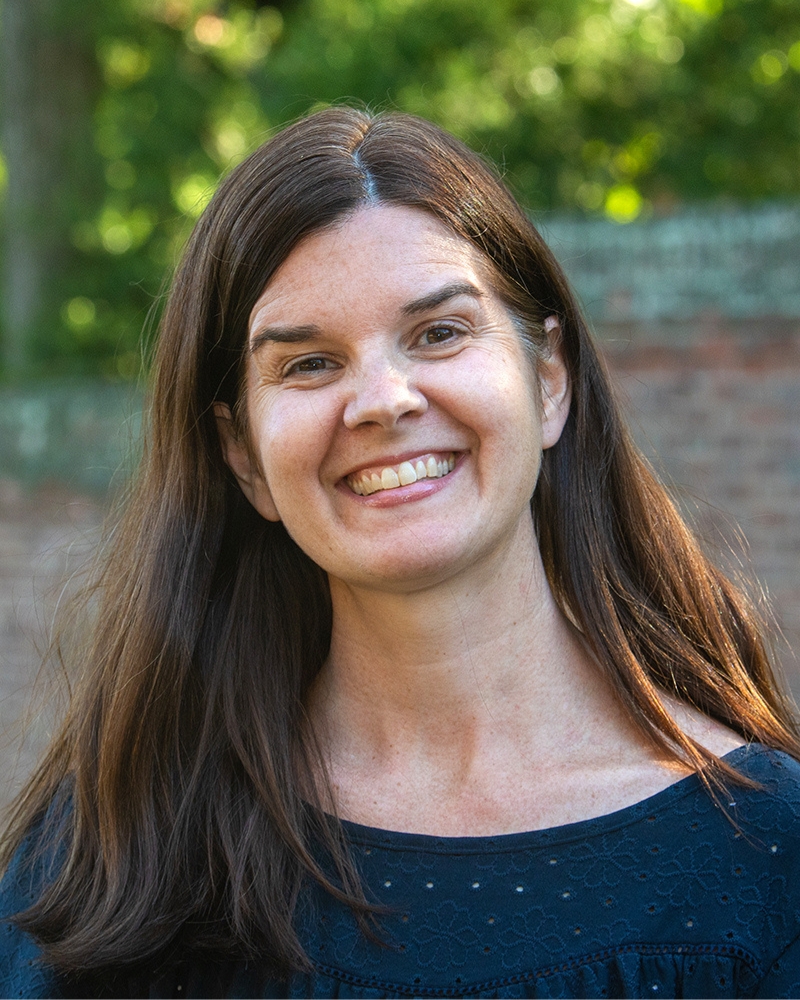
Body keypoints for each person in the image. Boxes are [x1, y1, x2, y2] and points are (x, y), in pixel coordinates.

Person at [1, 106, 799, 999]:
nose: (382, 400)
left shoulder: (765, 860)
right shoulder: (113, 860)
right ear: (242, 457)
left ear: (548, 380)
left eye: (439, 333)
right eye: (307, 364)